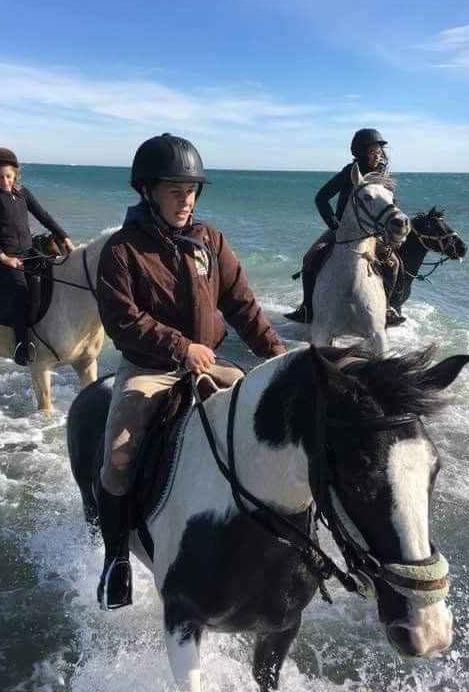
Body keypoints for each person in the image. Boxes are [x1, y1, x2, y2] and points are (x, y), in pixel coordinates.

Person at [95, 133, 287, 609]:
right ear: (147, 192)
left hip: (212, 364)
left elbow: (242, 305)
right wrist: (181, 347)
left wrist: (278, 357)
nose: (187, 201)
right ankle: (117, 558)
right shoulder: (121, 251)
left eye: (193, 190)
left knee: (271, 426)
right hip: (151, 370)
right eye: (176, 190)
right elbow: (123, 321)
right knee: (118, 461)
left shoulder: (211, 240)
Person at [285, 128, 404, 326]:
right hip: (343, 230)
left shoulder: (382, 175)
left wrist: (392, 233)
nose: (378, 156)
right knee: (310, 258)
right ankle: (307, 309)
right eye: (373, 152)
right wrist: (334, 225)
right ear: (360, 152)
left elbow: (392, 205)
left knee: (394, 263)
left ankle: (388, 308)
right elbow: (321, 198)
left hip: (374, 234)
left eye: (379, 152)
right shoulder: (349, 172)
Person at [0, 147, 75, 366]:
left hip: (28, 251)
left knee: (51, 275)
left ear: (16, 174)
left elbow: (43, 216)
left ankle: (48, 328)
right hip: (6, 256)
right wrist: (4, 258)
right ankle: (21, 343)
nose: (5, 181)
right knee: (22, 292)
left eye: (8, 176)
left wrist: (65, 237)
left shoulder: (23, 192)